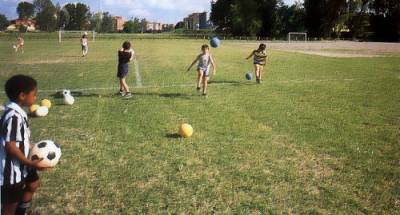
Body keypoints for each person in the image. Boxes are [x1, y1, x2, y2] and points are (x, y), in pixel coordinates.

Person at [1, 75, 45, 215]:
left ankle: (22, 212)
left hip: (22, 164)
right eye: (34, 94)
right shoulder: (13, 116)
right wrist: (30, 163)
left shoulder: (18, 113)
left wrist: (31, 146)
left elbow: (17, 140)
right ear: (22, 95)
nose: (36, 97)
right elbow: (10, 146)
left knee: (33, 184)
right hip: (11, 171)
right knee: (10, 206)